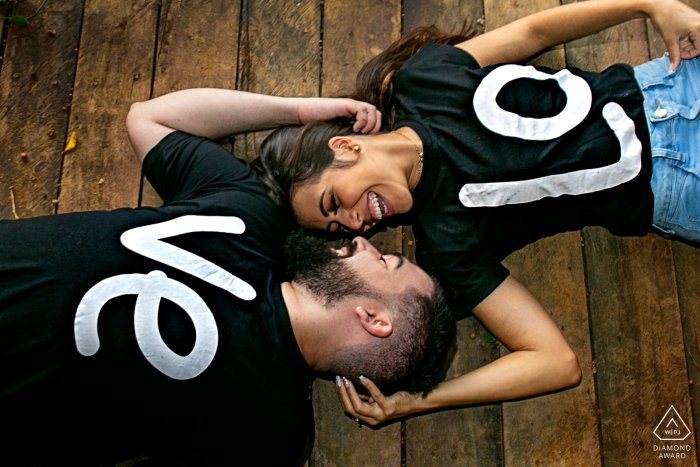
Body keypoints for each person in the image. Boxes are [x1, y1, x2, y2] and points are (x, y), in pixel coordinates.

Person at [250, 0, 700, 424]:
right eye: (335, 227)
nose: (354, 222)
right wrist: (417, 402)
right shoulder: (448, 248)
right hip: (678, 188)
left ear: (343, 146)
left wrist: (651, 5)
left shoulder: (423, 80)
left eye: (334, 202)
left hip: (673, 84)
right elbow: (555, 363)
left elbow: (534, 30)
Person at [0, 89, 455, 466]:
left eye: (386, 263)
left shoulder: (270, 436)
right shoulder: (251, 214)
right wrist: (295, 112)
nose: (363, 241)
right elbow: (149, 118)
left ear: (374, 318)